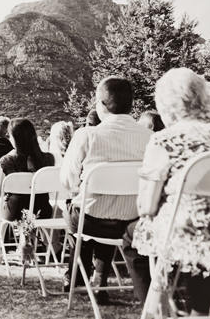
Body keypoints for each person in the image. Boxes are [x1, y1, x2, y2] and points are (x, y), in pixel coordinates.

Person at [122, 68, 210, 315]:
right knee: (205, 235)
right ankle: (200, 309)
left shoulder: (164, 140)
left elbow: (147, 207)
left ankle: (157, 305)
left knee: (134, 239)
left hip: (180, 235)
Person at [60, 76, 152, 302]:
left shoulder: (87, 135)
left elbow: (67, 181)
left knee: (78, 209)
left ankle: (78, 277)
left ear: (101, 105)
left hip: (92, 221)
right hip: (133, 222)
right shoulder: (150, 138)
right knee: (112, 208)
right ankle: (99, 276)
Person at [0, 118, 56, 221]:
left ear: (15, 138)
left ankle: (1, 236)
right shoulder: (49, 159)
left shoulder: (6, 161)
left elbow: (0, 192)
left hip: (16, 211)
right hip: (43, 210)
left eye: (10, 135)